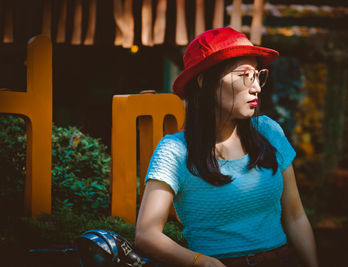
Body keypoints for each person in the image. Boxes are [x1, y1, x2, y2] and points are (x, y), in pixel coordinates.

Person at [135, 27, 318, 267]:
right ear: (204, 82)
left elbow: (295, 216)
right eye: (244, 75)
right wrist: (200, 262)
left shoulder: (269, 131)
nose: (257, 88)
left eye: (257, 75)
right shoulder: (174, 151)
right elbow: (146, 234)